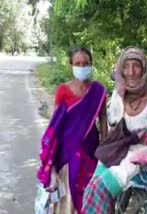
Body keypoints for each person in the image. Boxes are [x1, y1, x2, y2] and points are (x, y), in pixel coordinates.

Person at [82, 47, 147, 213]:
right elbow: (113, 125)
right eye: (126, 67)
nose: (131, 72)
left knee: (100, 189)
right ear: (120, 71)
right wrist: (119, 91)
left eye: (137, 66)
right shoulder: (118, 97)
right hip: (118, 153)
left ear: (144, 70)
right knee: (90, 188)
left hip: (143, 159)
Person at [37, 47, 107, 213]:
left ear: (91, 65)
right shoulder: (63, 90)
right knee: (67, 199)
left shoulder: (99, 91)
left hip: (91, 151)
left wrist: (105, 147)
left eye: (85, 63)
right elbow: (56, 123)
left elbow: (103, 119)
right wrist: (52, 158)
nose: (82, 67)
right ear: (71, 65)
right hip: (66, 152)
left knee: (88, 196)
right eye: (77, 64)